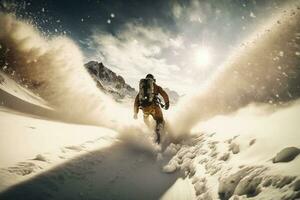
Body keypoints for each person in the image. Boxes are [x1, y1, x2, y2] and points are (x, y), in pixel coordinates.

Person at [133, 74, 169, 144]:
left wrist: (135, 113)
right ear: (153, 80)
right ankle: (158, 136)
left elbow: (136, 101)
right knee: (160, 120)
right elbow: (164, 94)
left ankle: (151, 131)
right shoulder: (156, 87)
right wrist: (167, 103)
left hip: (145, 110)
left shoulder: (142, 90)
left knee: (146, 120)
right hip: (155, 108)